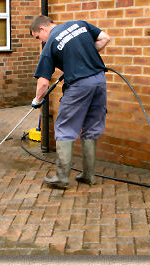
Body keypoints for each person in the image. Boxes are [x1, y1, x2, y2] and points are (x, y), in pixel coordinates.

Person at [30, 15, 110, 189]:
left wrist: (37, 100)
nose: (40, 41)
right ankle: (89, 175)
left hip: (79, 86)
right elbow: (105, 38)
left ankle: (61, 178)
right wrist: (83, 60)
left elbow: (43, 82)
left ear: (43, 29)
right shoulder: (79, 24)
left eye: (38, 37)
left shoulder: (50, 44)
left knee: (64, 128)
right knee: (91, 127)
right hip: (99, 81)